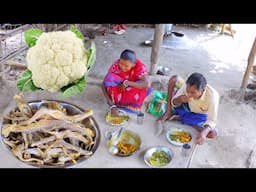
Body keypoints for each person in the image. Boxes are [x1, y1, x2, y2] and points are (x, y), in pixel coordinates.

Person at [157, 73, 220, 145]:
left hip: (199, 115)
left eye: (193, 93)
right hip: (186, 107)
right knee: (174, 79)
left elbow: (212, 120)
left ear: (202, 91)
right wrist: (179, 99)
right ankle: (169, 112)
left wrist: (203, 133)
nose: (189, 94)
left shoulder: (213, 97)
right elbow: (174, 102)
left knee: (212, 134)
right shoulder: (187, 86)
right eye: (187, 91)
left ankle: (182, 118)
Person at [102, 49, 151, 116]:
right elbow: (103, 84)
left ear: (133, 64)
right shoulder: (115, 65)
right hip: (120, 87)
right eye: (121, 63)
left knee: (144, 87)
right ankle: (117, 103)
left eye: (126, 66)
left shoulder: (140, 67)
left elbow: (146, 84)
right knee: (109, 78)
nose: (122, 67)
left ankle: (130, 105)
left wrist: (127, 83)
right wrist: (111, 105)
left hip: (132, 87)